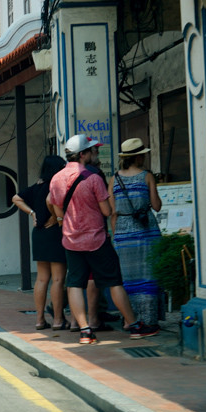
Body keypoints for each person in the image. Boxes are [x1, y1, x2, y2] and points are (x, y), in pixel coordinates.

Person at [49, 134, 160, 344]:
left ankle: (85, 332)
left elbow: (56, 207)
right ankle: (134, 326)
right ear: (83, 154)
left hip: (71, 241)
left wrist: (65, 220)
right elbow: (107, 211)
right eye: (91, 150)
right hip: (96, 239)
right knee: (114, 282)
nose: (94, 154)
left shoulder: (56, 179)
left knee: (75, 284)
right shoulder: (93, 178)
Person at [109, 138, 163, 328]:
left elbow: (112, 212)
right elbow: (156, 206)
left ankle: (128, 320)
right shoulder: (147, 176)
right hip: (146, 231)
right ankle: (148, 319)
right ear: (138, 157)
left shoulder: (114, 179)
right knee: (148, 275)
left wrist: (116, 237)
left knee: (127, 277)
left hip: (123, 234)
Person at [13, 155, 69, 330]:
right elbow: (52, 200)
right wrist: (55, 216)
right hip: (54, 233)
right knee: (58, 279)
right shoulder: (56, 185)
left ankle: (39, 320)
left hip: (38, 234)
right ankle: (58, 320)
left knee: (42, 279)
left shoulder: (37, 186)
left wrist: (32, 213)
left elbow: (16, 198)